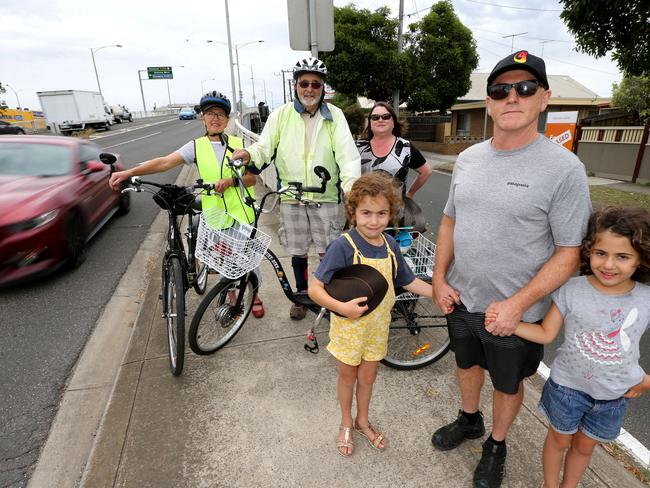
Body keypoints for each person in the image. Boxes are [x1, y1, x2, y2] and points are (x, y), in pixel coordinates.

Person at [431, 50, 592, 488]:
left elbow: (569, 252)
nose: (512, 97)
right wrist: (439, 280)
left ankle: (496, 444)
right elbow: (449, 221)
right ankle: (469, 420)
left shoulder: (564, 169)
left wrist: (518, 305)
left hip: (517, 315)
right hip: (461, 297)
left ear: (544, 99)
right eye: (501, 90)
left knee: (506, 383)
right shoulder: (468, 159)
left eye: (525, 88)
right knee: (466, 366)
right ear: (488, 102)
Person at [485, 206, 650, 488]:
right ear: (588, 251)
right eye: (601, 253)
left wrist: (647, 379)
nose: (609, 265)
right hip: (567, 389)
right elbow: (547, 333)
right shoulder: (571, 289)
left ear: (640, 259)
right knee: (559, 440)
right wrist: (508, 324)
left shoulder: (646, 297)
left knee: (585, 448)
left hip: (614, 396)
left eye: (622, 257)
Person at [109, 91, 266, 317]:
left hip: (242, 213)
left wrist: (231, 181)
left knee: (246, 259)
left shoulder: (240, 144)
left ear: (227, 119)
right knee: (223, 261)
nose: (215, 118)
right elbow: (164, 162)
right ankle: (232, 299)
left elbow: (252, 178)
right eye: (210, 113)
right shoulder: (196, 147)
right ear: (203, 118)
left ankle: (255, 295)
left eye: (221, 114)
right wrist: (129, 172)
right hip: (215, 215)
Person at [308, 172, 432, 456]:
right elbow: (315, 289)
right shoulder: (344, 246)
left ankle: (363, 420)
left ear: (391, 214)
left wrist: (437, 292)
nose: (374, 221)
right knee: (347, 377)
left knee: (368, 378)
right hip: (350, 327)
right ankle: (346, 422)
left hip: (378, 327)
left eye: (381, 213)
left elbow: (407, 280)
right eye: (366, 213)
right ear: (352, 213)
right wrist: (342, 308)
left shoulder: (390, 246)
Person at [231, 57, 361, 320]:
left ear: (322, 87)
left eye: (315, 84)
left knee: (329, 252)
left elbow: (348, 156)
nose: (309, 89)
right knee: (298, 251)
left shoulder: (334, 116)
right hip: (291, 197)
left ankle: (329, 299)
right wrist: (249, 154)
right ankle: (302, 297)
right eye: (304, 83)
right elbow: (264, 147)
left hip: (325, 196)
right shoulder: (281, 115)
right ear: (296, 85)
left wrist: (351, 189)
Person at [356, 102, 432, 200]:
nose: (380, 120)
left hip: (395, 212)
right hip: (365, 209)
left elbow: (426, 172)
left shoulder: (405, 148)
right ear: (370, 123)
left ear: (393, 122)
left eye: (386, 116)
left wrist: (410, 194)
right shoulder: (358, 147)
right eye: (375, 117)